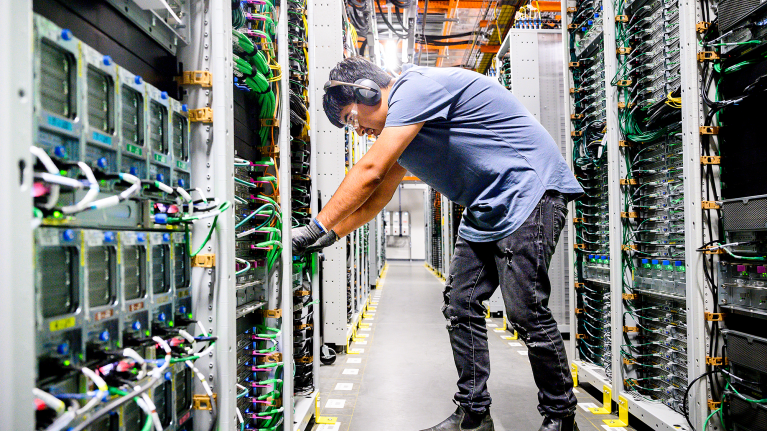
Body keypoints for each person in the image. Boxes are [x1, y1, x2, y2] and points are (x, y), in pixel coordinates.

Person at [292, 56, 584, 431]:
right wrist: (332, 234)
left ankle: (561, 417)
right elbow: (379, 194)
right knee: (460, 304)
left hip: (528, 191)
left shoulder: (412, 89)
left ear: (367, 90)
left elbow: (369, 171)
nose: (360, 131)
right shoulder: (402, 129)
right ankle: (474, 415)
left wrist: (316, 226)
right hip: (485, 206)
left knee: (526, 310)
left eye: (353, 118)